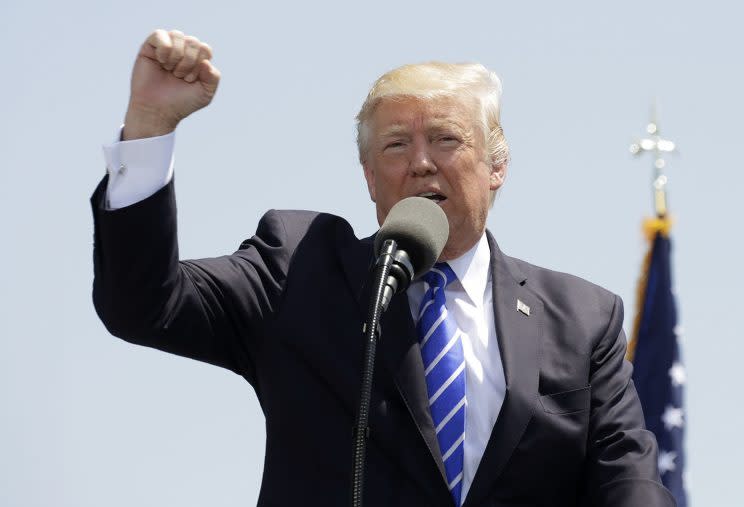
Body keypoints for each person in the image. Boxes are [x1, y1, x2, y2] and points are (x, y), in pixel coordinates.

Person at [91, 29, 676, 506]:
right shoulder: (299, 268)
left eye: (446, 139)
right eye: (395, 146)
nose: (421, 162)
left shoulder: (581, 318)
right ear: (369, 176)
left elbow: (627, 479)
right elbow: (143, 304)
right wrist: (149, 127)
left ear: (496, 165)